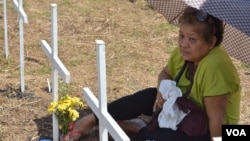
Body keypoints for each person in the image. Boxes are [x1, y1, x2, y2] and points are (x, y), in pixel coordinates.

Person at [64, 6, 241, 141]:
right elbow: (165, 73)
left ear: (211, 43)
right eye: (181, 36)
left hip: (210, 129)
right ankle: (91, 120)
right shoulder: (184, 52)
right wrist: (160, 93)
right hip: (185, 109)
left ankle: (136, 127)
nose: (183, 44)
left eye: (192, 39)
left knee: (157, 137)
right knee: (146, 96)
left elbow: (216, 119)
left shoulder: (215, 66)